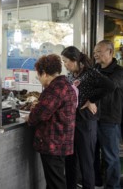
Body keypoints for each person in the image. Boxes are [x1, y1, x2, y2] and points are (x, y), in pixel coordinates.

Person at [61, 46, 115, 189]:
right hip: (72, 120)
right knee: (70, 159)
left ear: (74, 60)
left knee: (86, 161)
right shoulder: (71, 75)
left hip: (85, 121)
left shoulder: (90, 73)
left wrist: (91, 100)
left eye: (66, 61)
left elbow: (110, 86)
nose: (64, 64)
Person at [27, 54, 77, 189]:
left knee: (56, 183)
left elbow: (40, 114)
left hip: (54, 143)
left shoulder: (55, 89)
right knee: (55, 180)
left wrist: (30, 117)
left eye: (38, 74)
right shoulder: (65, 84)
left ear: (44, 73)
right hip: (61, 141)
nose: (38, 78)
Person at [93, 40, 123, 189]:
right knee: (92, 155)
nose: (96, 54)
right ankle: (97, 183)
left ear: (110, 52)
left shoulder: (119, 72)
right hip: (93, 119)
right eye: (95, 52)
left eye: (99, 51)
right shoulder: (95, 69)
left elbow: (109, 86)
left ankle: (113, 186)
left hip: (110, 120)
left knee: (110, 157)